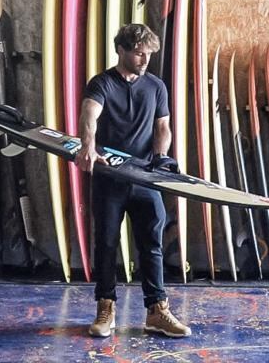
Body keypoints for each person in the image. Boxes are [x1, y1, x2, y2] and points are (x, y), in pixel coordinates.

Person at [77, 23, 192, 339]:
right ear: (122, 50)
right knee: (106, 244)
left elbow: (163, 126)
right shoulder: (102, 83)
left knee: (152, 246)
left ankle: (157, 311)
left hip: (144, 178)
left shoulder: (156, 87)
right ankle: (105, 307)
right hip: (109, 179)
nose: (144, 60)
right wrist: (87, 145)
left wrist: (160, 156)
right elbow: (89, 115)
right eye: (139, 53)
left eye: (149, 54)